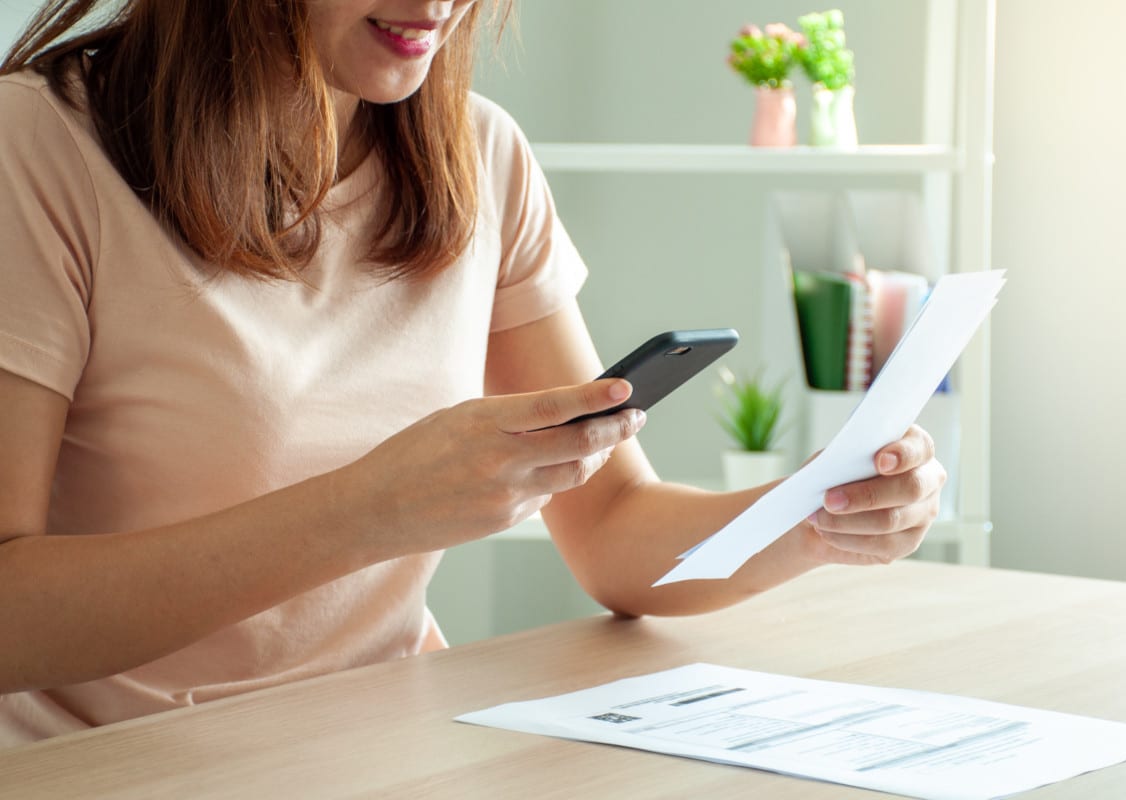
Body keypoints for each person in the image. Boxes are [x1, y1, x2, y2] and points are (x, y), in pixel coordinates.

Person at [0, 0, 946, 747]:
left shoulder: (476, 153)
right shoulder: (35, 146)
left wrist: (813, 515)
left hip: (399, 745)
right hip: (107, 762)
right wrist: (368, 508)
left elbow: (614, 531)